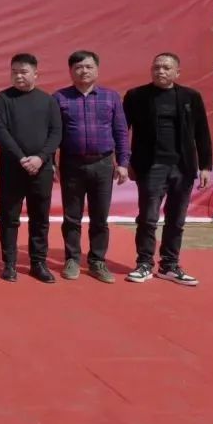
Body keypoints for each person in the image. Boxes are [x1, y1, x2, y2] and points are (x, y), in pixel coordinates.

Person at [123, 53, 212, 286]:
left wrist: (205, 165)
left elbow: (202, 132)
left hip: (183, 167)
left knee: (177, 219)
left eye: (166, 68)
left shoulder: (190, 97)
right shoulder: (136, 96)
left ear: (177, 72)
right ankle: (144, 263)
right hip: (151, 166)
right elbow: (122, 130)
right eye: (156, 67)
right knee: (148, 218)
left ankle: (170, 265)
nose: (160, 71)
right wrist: (125, 161)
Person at [53, 50, 130, 284]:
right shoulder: (59, 98)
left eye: (88, 66)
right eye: (78, 67)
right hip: (72, 164)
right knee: (71, 216)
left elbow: (120, 131)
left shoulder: (110, 97)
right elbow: (53, 133)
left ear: (97, 69)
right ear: (70, 71)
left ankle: (97, 261)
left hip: (103, 164)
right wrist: (51, 163)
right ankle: (72, 259)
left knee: (100, 216)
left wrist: (123, 163)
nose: (83, 71)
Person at [0, 53, 62, 283]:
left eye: (23, 72)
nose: (18, 76)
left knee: (39, 218)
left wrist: (40, 158)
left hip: (41, 170)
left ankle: (38, 263)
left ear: (35, 74)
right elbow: (0, 131)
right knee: (9, 217)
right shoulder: (2, 99)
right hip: (12, 169)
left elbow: (56, 132)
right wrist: (22, 158)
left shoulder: (48, 101)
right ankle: (9, 263)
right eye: (14, 72)